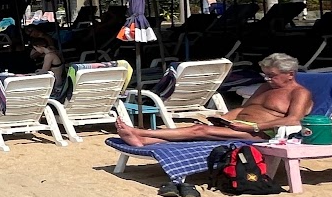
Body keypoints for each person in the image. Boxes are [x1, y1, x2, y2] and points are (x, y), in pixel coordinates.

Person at [114, 53, 311, 145]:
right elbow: (247, 108)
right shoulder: (267, 86)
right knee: (200, 130)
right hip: (238, 125)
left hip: (263, 134)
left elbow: (294, 120)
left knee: (199, 130)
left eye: (273, 75)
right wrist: (224, 119)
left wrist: (252, 128)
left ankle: (138, 131)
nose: (268, 79)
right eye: (266, 75)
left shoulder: (298, 93)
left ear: (290, 74)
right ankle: (143, 141)